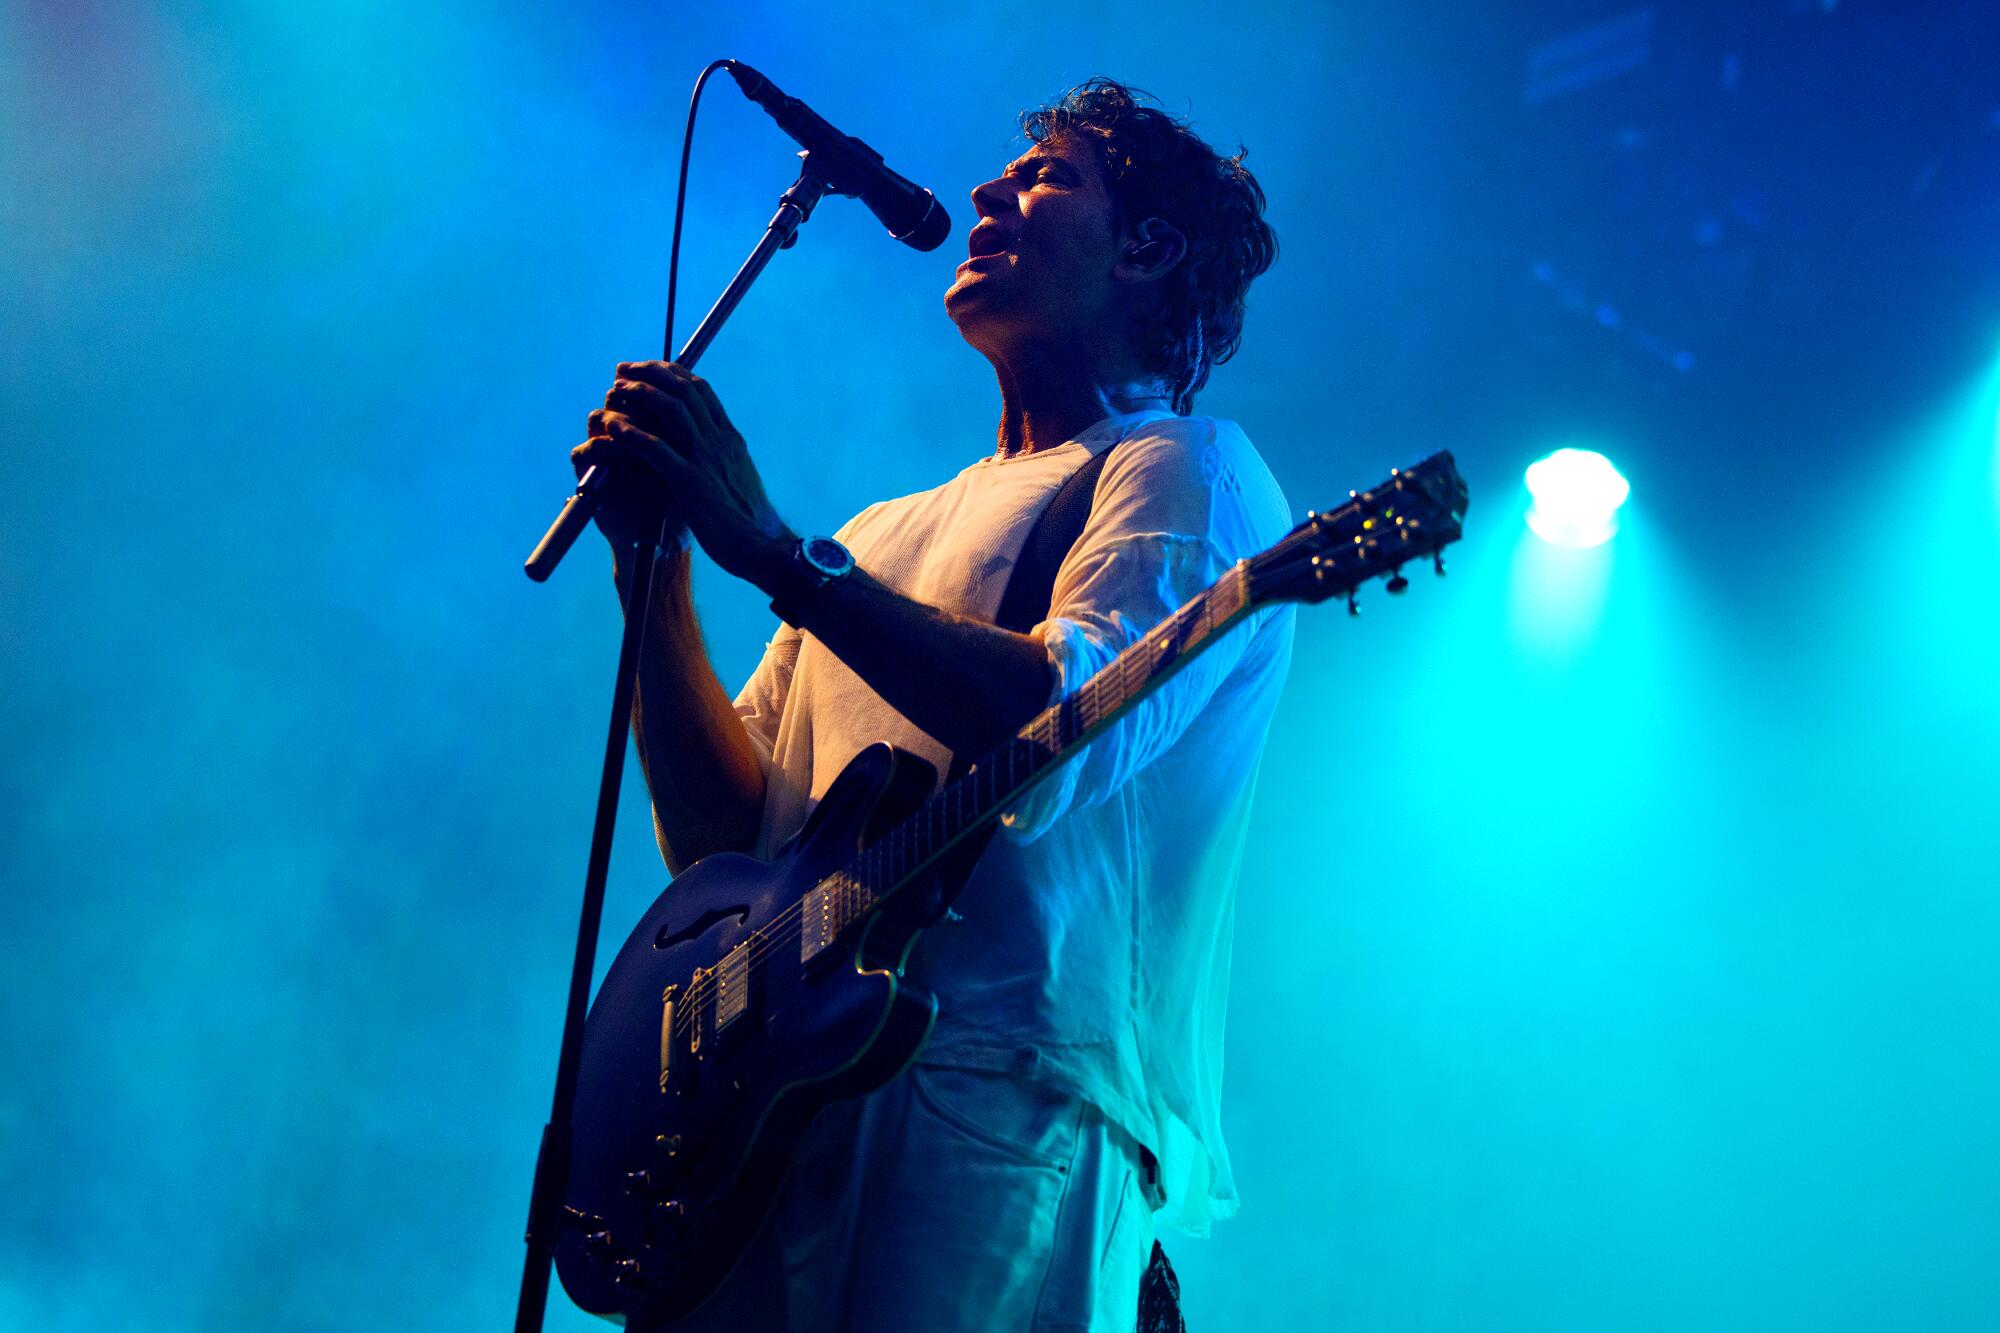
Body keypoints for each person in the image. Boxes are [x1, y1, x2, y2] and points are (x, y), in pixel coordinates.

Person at [571, 78, 1292, 1333]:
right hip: (769, 1091)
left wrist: (781, 559)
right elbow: (723, 844)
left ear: (1149, 248)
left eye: (1046, 177)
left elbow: (1062, 722)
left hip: (995, 1081)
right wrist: (657, 575)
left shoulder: (1183, 462)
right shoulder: (879, 531)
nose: (984, 194)